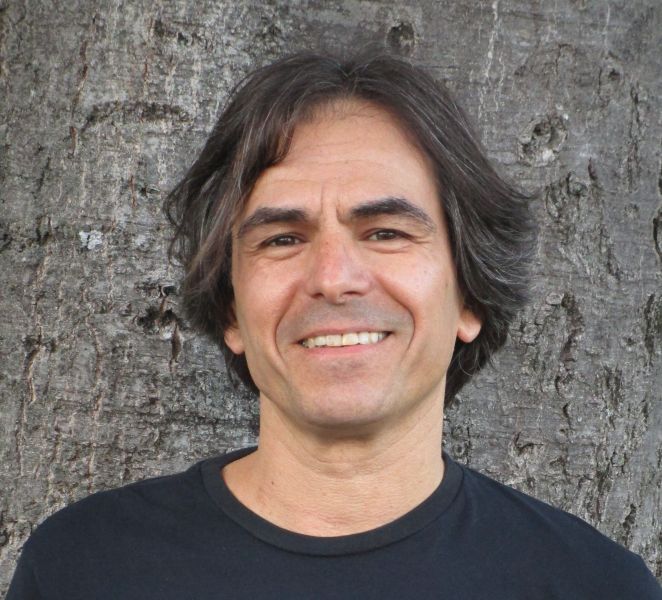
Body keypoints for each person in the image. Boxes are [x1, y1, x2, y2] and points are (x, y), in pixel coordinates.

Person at [7, 50, 661, 599]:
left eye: (385, 232)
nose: (333, 277)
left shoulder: (594, 587)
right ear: (231, 309)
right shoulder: (83, 569)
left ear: (470, 295)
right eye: (283, 239)